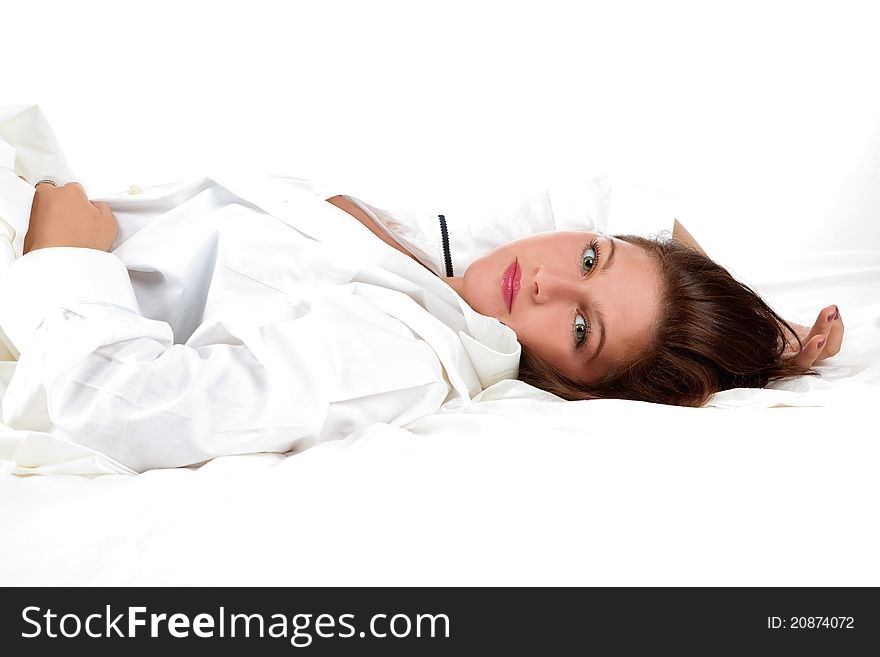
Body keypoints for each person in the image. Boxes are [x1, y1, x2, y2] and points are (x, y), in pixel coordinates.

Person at [0, 175, 843, 472]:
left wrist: (62, 257)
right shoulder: (458, 268)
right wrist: (764, 336)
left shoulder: (398, 350)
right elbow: (612, 201)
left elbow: (129, 405)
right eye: (591, 258)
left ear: (566, 386)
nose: (545, 280)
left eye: (581, 331)